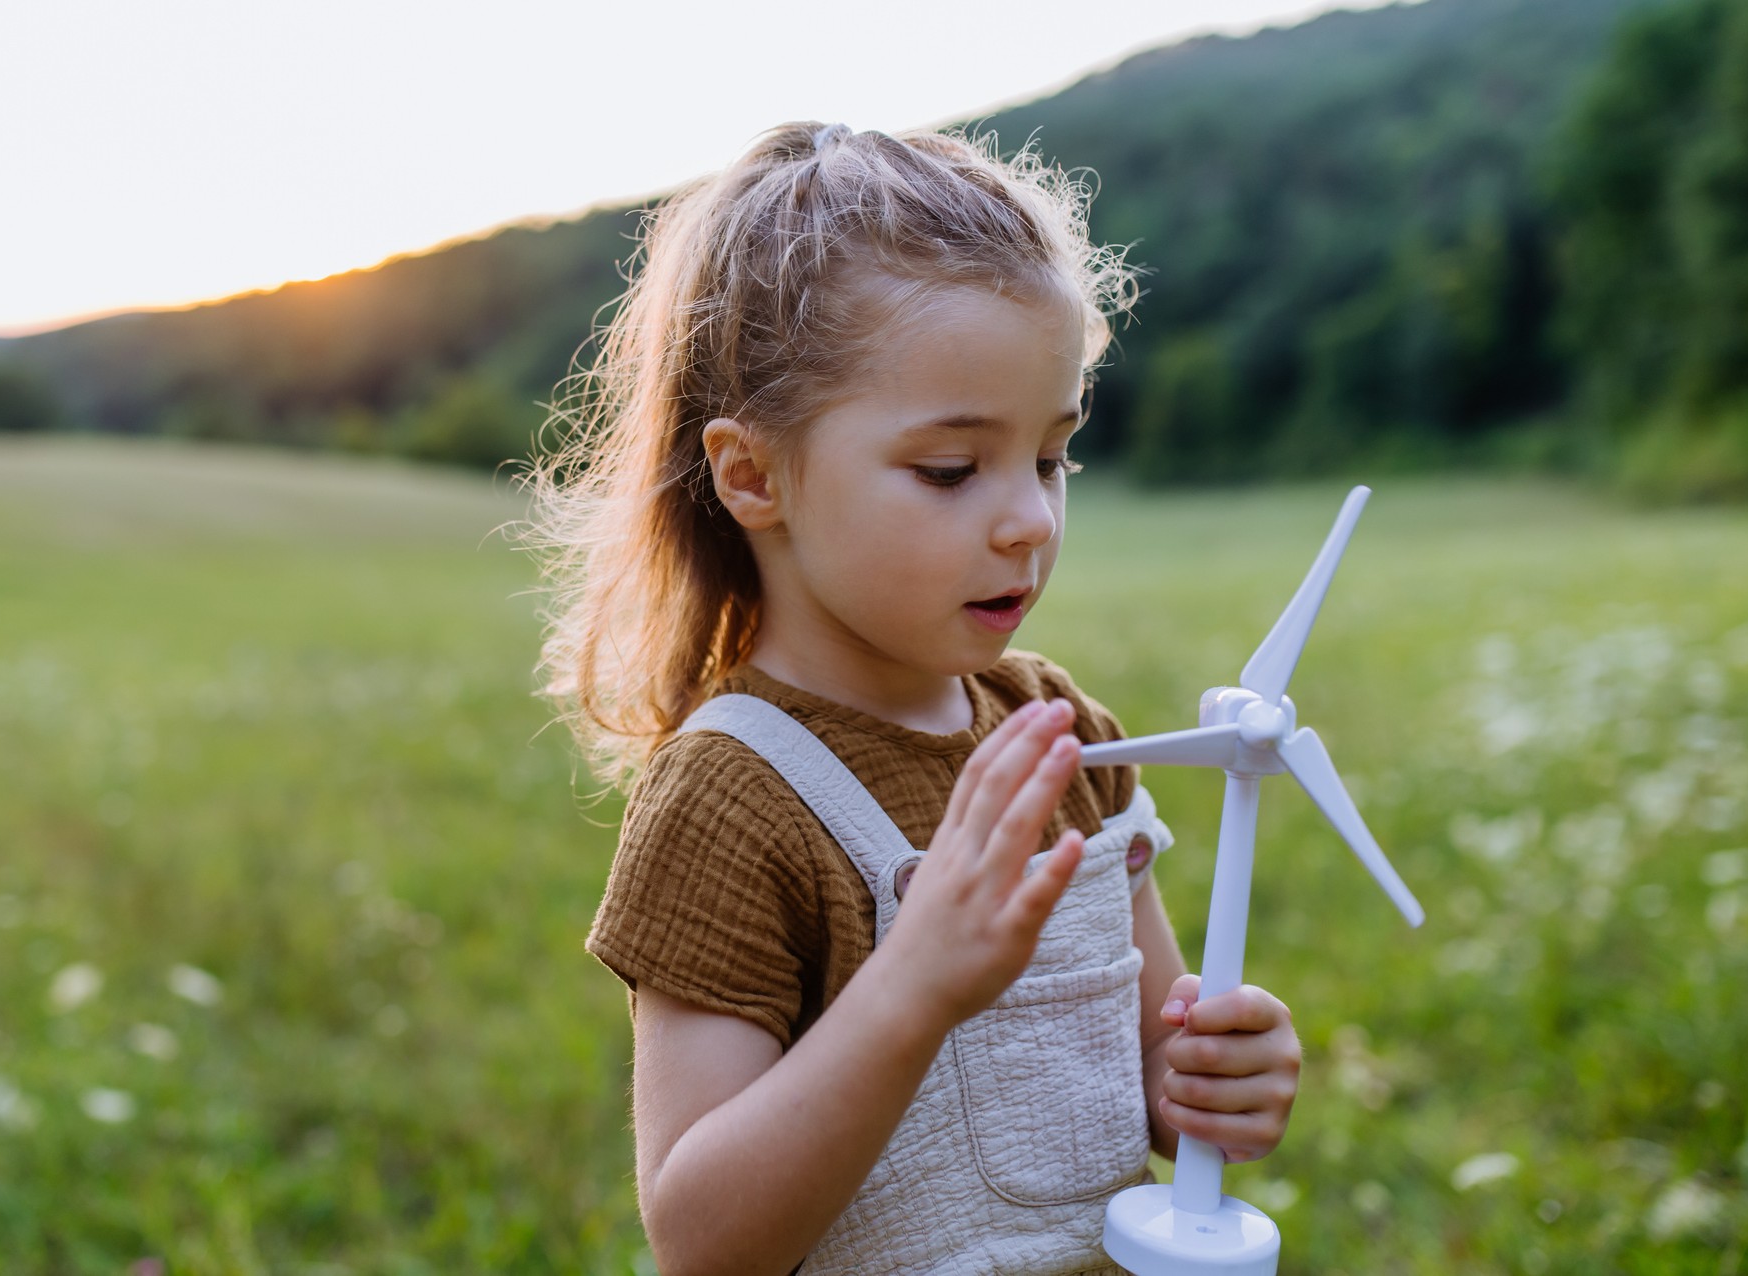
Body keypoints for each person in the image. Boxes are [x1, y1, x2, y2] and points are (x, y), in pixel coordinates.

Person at [528, 122, 1302, 1275]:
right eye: (951, 469)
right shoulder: (732, 799)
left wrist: (1209, 1075)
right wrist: (915, 982)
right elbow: (701, 1239)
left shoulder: (1064, 737)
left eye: (1052, 458)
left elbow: (1142, 1077)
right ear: (754, 475)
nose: (1032, 520)